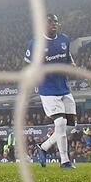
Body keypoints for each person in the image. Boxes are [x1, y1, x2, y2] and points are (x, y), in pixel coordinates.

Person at [26, 14, 77, 169]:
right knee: (60, 122)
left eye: (55, 21)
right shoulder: (35, 44)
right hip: (47, 90)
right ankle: (65, 161)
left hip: (64, 88)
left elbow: (68, 59)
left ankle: (43, 147)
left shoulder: (64, 40)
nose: (53, 23)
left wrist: (73, 66)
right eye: (49, 21)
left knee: (71, 126)